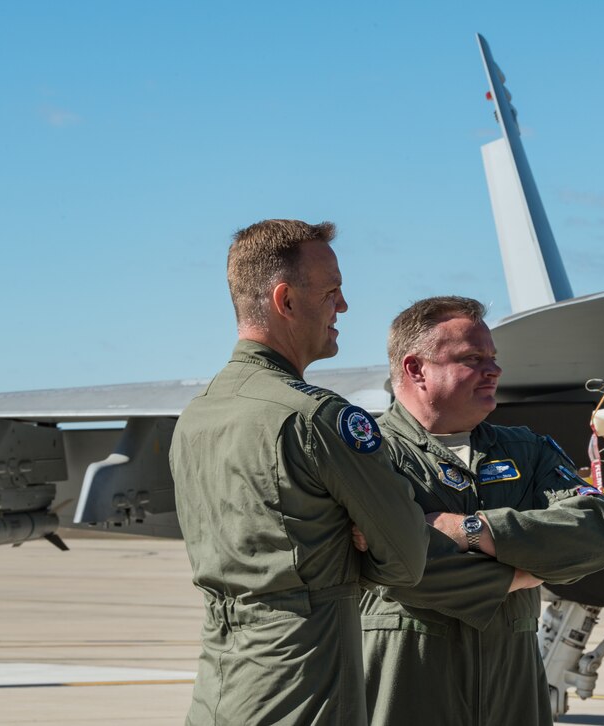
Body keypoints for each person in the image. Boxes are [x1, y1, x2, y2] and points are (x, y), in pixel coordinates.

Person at [170, 219, 429, 725]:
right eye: (332, 292)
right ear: (285, 301)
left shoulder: (196, 416)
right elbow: (406, 556)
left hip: (219, 690)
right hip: (303, 690)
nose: (344, 307)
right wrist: (353, 548)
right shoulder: (318, 419)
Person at [356, 295, 604, 726]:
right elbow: (403, 568)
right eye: (472, 358)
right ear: (416, 368)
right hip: (405, 692)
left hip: (510, 696)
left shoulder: (525, 450)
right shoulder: (369, 455)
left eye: (493, 358)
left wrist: (471, 529)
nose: (493, 370)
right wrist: (521, 573)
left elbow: (592, 536)